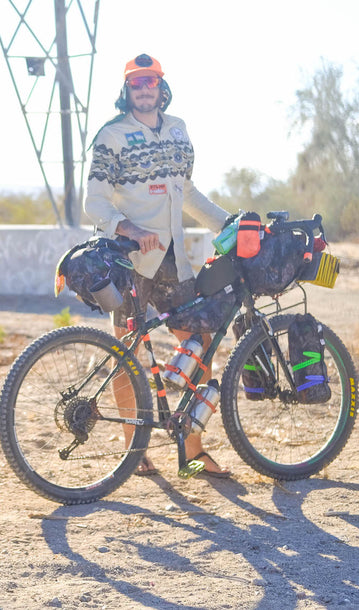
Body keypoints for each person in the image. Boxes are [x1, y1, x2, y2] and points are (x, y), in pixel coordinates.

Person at [84, 54, 233, 478]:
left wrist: (231, 224)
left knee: (198, 346)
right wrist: (125, 227)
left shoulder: (178, 129)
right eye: (136, 83)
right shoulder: (111, 136)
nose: (144, 89)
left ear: (161, 87)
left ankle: (193, 451)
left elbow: (188, 193)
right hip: (130, 260)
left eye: (150, 82)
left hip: (174, 260)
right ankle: (135, 450)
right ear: (126, 90)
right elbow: (94, 201)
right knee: (124, 354)